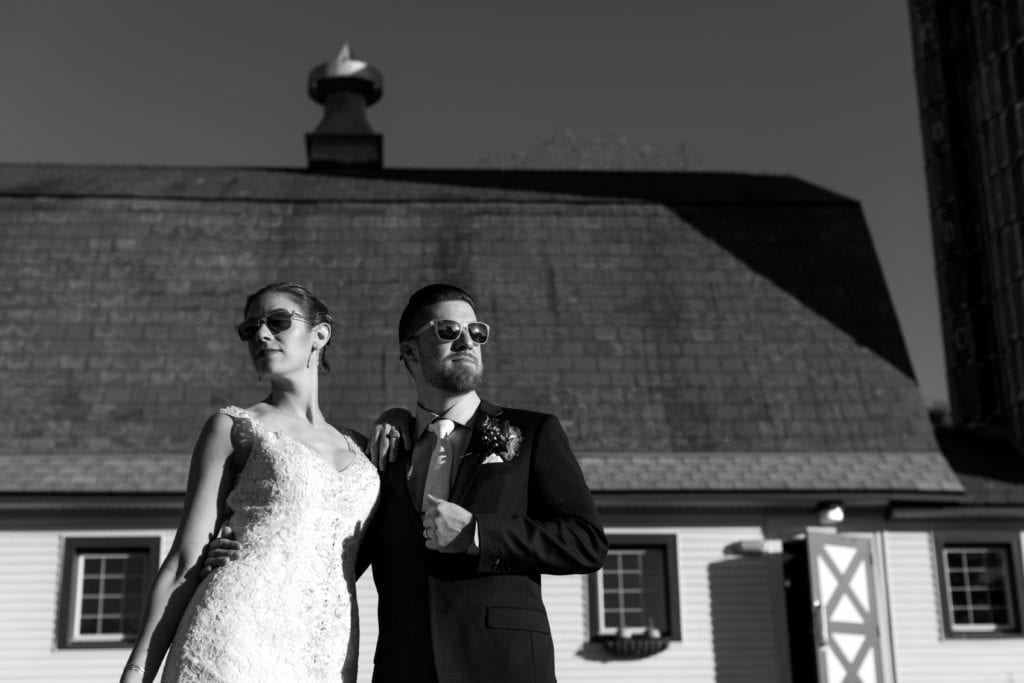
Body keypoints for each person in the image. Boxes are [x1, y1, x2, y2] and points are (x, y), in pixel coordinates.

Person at [121, 282, 380, 682]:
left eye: (277, 322)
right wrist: (137, 671)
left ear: (320, 334)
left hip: (325, 649)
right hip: (232, 635)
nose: (261, 335)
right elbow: (183, 561)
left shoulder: (366, 451)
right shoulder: (234, 427)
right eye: (250, 328)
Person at [360, 283, 608, 682]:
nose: (466, 341)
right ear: (409, 351)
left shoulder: (532, 432)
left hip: (503, 664)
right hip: (406, 666)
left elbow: (586, 543)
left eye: (476, 332)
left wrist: (478, 533)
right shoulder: (383, 453)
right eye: (447, 331)